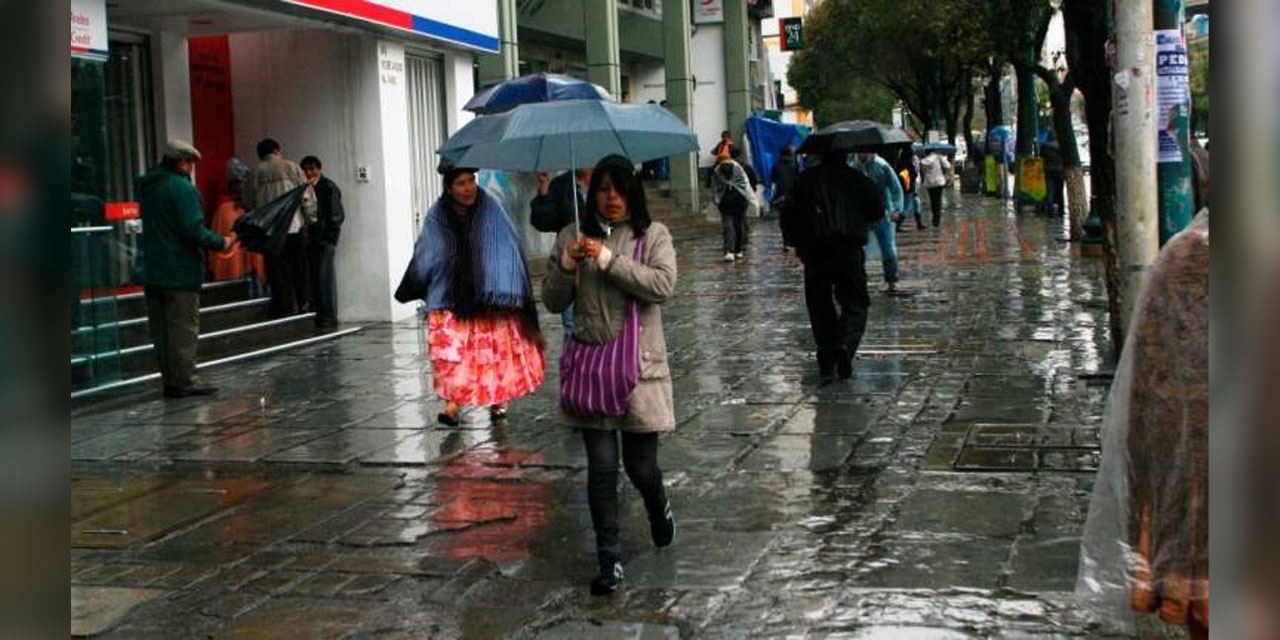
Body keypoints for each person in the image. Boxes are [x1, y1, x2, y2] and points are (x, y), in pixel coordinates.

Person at [541, 154, 678, 596]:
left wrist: (607, 259)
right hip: (592, 371)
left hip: (639, 371)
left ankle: (658, 504)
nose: (611, 197)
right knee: (601, 469)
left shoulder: (653, 235)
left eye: (619, 189)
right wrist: (566, 266)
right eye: (603, 189)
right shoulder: (571, 234)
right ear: (591, 193)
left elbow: (662, 286)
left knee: (641, 468)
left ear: (632, 193)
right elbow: (552, 301)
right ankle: (609, 558)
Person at [406, 163, 546, 426]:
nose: (468, 188)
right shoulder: (438, 215)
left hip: (490, 294)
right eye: (460, 183)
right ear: (449, 188)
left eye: (471, 180)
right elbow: (428, 249)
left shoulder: (490, 208)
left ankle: (499, 400)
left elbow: (507, 245)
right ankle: (452, 405)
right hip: (451, 293)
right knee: (452, 351)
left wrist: (500, 280)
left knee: (492, 350)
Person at [137, 140, 233, 398]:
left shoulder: (148, 187)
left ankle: (170, 380)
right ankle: (184, 380)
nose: (191, 169)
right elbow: (192, 229)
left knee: (161, 331)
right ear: (181, 163)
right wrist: (221, 242)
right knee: (182, 329)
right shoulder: (181, 188)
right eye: (190, 164)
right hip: (180, 270)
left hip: (153, 270)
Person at [785, 152, 884, 380]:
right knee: (855, 302)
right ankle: (845, 344)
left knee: (819, 304)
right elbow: (877, 210)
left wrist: (796, 243)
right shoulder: (857, 179)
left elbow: (789, 212)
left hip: (815, 251)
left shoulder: (805, 179)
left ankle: (828, 353)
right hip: (849, 248)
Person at [245, 138, 316, 318]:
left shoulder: (254, 173)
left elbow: (248, 201)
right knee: (299, 268)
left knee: (276, 271)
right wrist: (310, 220)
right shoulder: (292, 167)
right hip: (294, 227)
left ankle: (282, 309)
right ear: (277, 150)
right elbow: (306, 197)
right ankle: (302, 305)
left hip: (270, 232)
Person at [531, 167, 592, 335]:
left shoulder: (606, 183)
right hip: (570, 262)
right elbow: (544, 222)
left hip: (598, 263)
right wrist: (544, 191)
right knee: (572, 327)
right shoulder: (562, 185)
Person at [849, 150, 904, 292]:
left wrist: (897, 209)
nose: (862, 154)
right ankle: (858, 278)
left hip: (883, 212)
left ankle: (892, 279)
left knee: (888, 247)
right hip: (861, 214)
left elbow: (896, 188)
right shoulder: (853, 167)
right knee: (858, 247)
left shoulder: (882, 166)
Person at [300, 155, 345, 329]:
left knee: (325, 279)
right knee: (316, 278)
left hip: (324, 239)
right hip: (313, 240)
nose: (309, 173)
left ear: (319, 169)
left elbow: (336, 215)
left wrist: (329, 237)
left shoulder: (328, 187)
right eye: (306, 170)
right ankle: (321, 314)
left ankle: (328, 316)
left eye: (312, 169)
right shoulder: (307, 188)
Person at [207, 157, 266, 286]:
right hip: (235, 270)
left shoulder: (249, 206)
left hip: (252, 267)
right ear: (234, 185)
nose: (246, 186)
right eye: (242, 182)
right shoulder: (224, 210)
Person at [711, 151, 752, 262]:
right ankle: (730, 250)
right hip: (727, 203)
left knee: (737, 227)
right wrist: (717, 200)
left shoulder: (738, 170)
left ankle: (736, 249)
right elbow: (715, 187)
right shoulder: (717, 172)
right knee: (730, 227)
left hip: (738, 202)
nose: (725, 166)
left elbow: (745, 184)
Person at [770, 144, 801, 250]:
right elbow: (799, 180)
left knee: (784, 220)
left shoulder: (776, 165)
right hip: (794, 196)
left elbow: (773, 181)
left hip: (781, 196)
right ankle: (794, 241)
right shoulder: (796, 165)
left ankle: (786, 242)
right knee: (794, 219)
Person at [919, 149, 952, 227]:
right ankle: (936, 220)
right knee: (938, 201)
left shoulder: (924, 161)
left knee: (932, 200)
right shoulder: (939, 157)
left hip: (929, 182)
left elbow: (922, 171)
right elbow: (948, 166)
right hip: (938, 181)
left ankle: (934, 217)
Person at [895, 148, 925, 231]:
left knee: (916, 202)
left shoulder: (899, 163)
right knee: (905, 206)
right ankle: (898, 225)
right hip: (909, 187)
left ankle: (919, 223)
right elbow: (914, 174)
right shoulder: (908, 164)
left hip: (904, 187)